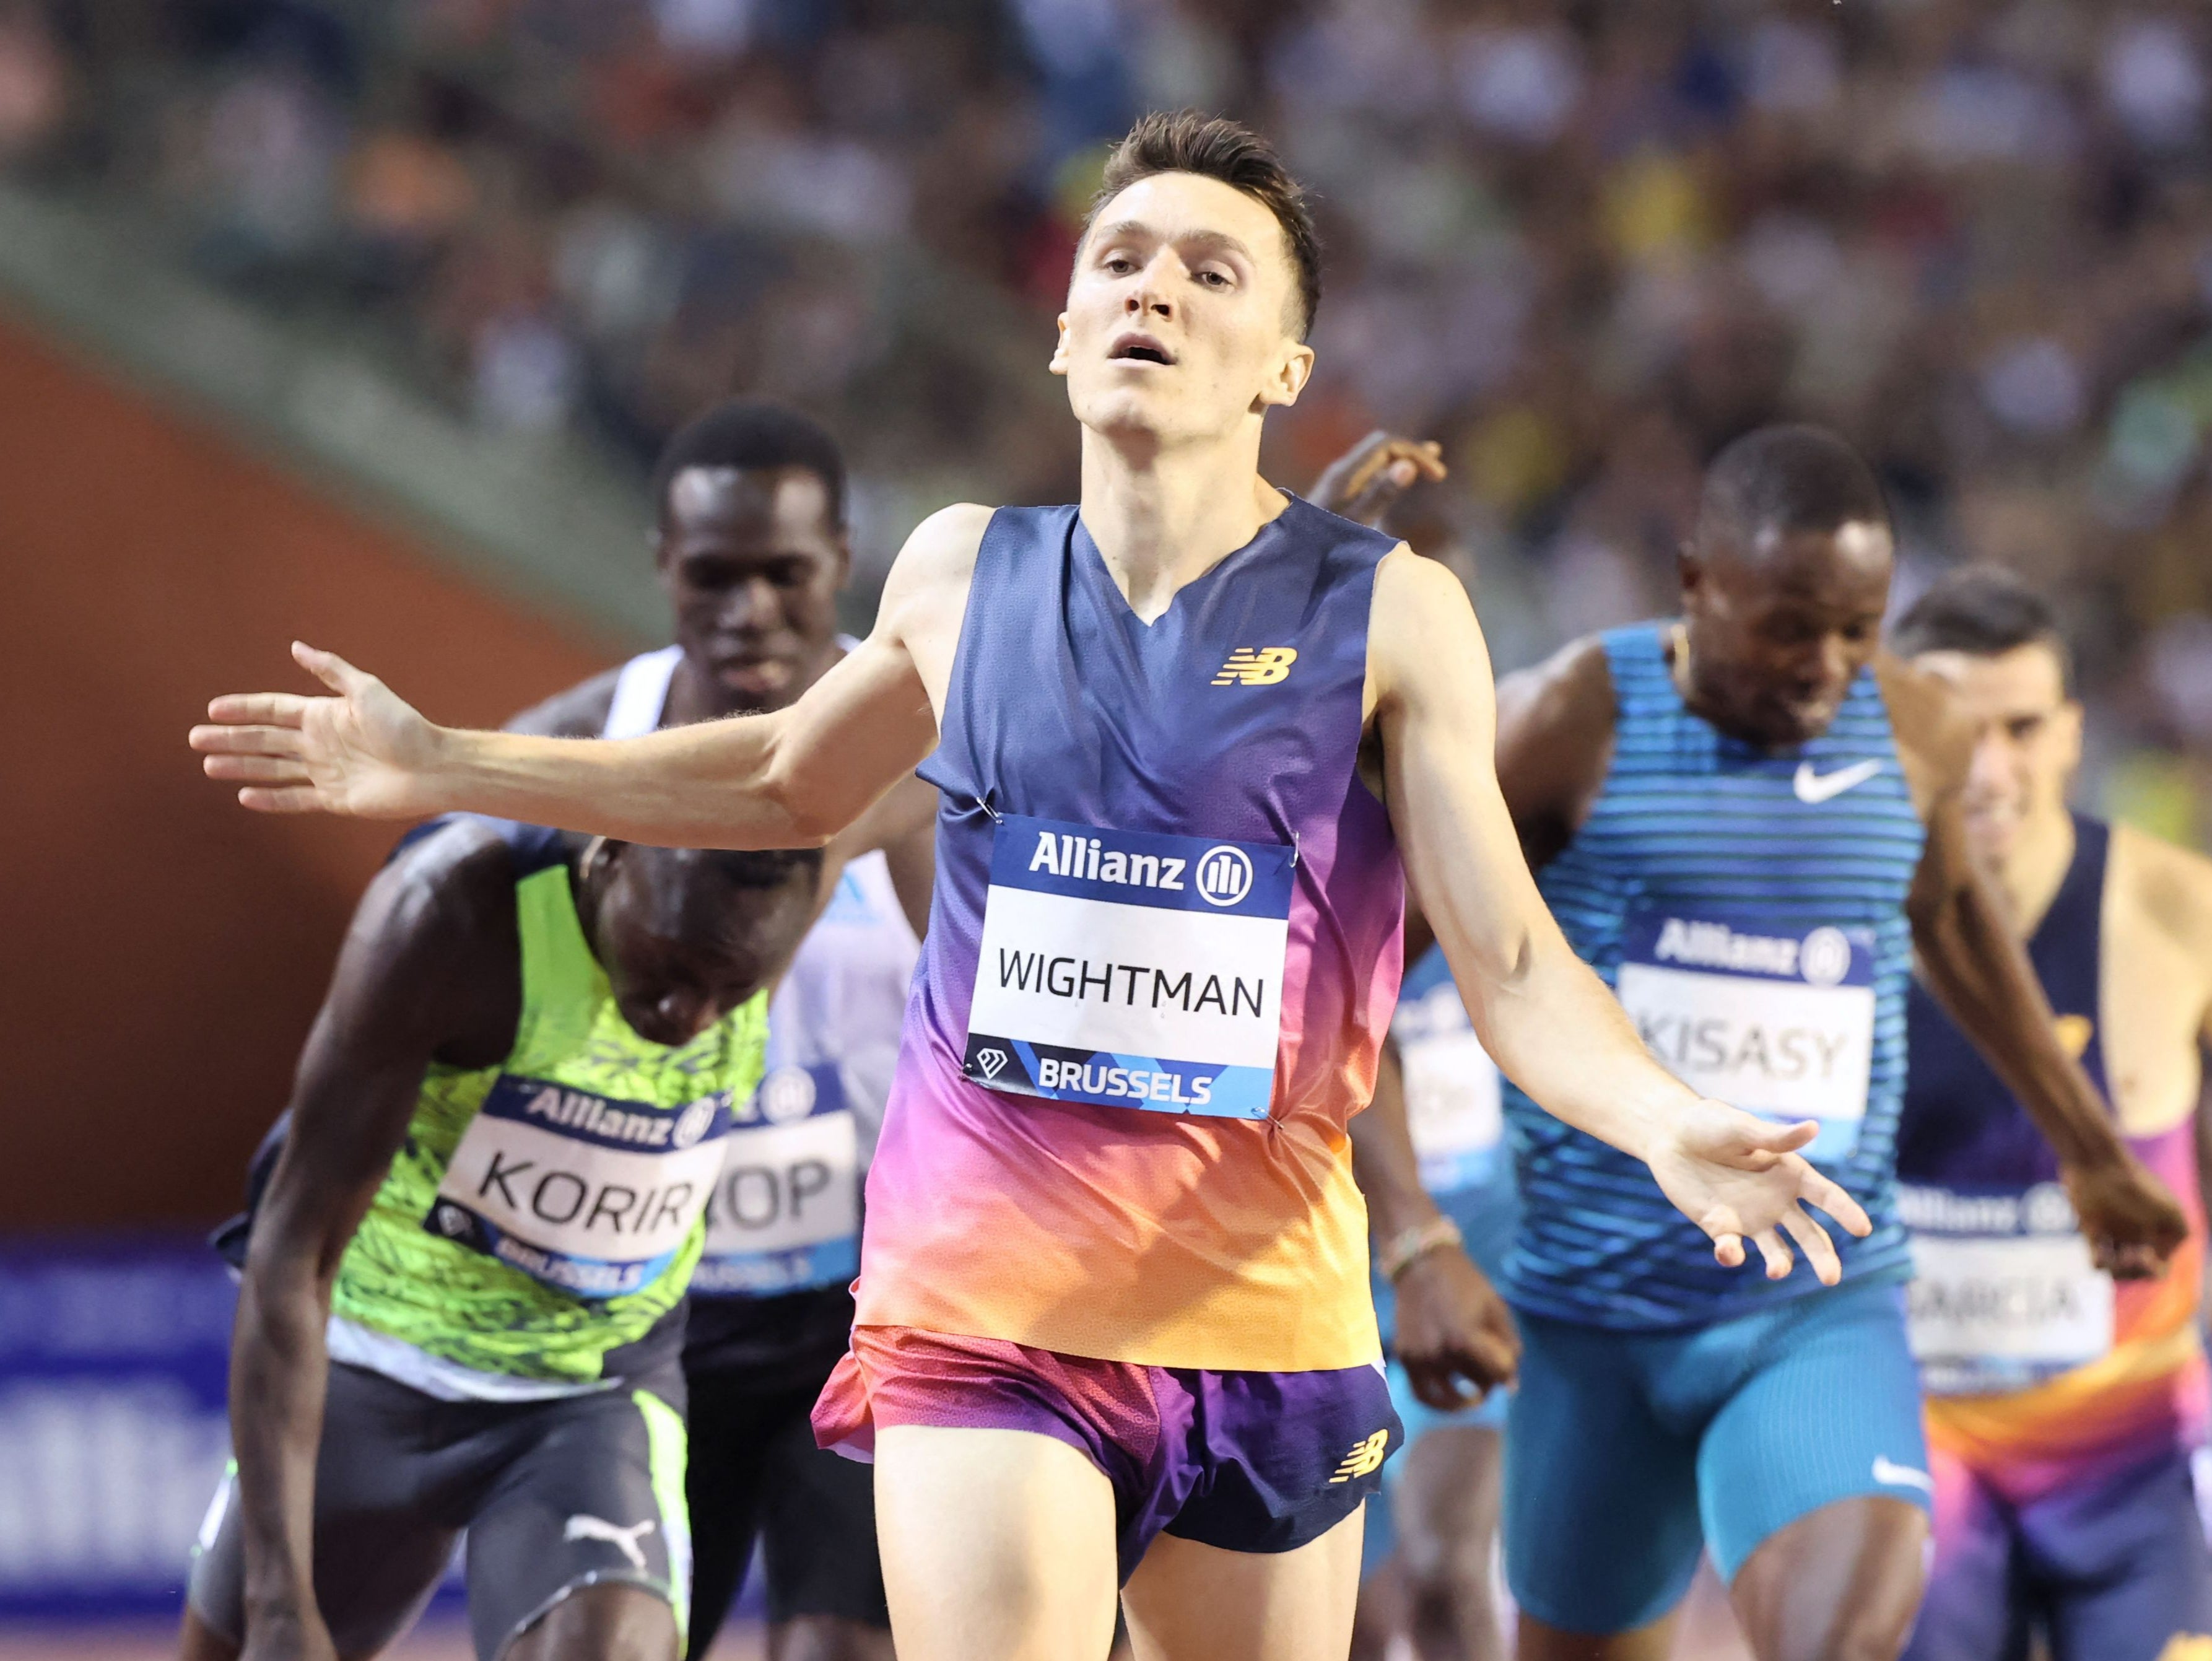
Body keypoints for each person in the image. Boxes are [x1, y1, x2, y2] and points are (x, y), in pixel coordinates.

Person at [192, 112, 1890, 1661]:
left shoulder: (1389, 614)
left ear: (1281, 363)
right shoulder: (959, 572)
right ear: (1069, 330)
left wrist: (1660, 1119)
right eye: (1120, 260)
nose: (1153, 286)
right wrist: (442, 763)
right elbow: (787, 773)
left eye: (1210, 268)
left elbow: (1510, 954)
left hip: (1264, 1316)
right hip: (982, 1306)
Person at [1362, 422, 2184, 1661]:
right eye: (1788, 627)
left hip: (1819, 1304)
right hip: (1592, 1319)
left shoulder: (1912, 736)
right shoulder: (1570, 724)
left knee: (1837, 1641)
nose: (1826, 667)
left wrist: (2088, 1142)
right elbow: (1350, 986)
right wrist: (1415, 1239)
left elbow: (1957, 921)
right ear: (1697, 581)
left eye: (1857, 628)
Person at [181, 814, 824, 1661]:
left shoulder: (786, 871)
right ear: (613, 852)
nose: (687, 1013)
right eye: (668, 965)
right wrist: (276, 1602)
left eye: (734, 988)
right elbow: (293, 1249)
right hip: (368, 1367)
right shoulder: (450, 913)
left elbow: (918, 754)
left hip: (585, 1395)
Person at [502, 400, 931, 1661]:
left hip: (865, 1309)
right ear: (661, 567)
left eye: (783, 573)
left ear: (841, 560)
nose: (748, 609)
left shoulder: (936, 755)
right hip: (639, 1317)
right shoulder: (571, 752)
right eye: (713, 575)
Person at [1889, 569, 2212, 1661]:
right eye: (1955, 728)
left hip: (2134, 1462)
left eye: (2022, 728)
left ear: (2073, 733)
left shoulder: (2177, 911)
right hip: (1921, 1445)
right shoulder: (1836, 918)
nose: (1990, 769)